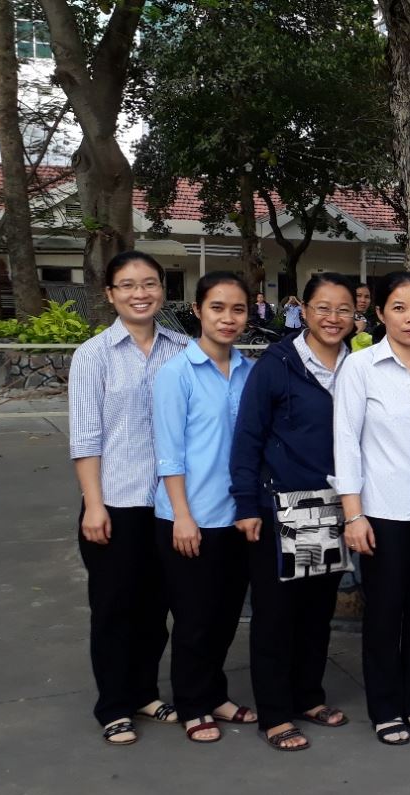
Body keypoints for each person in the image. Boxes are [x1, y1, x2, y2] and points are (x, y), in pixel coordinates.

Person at [230, 273, 357, 751]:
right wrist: (247, 504)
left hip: (334, 505)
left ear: (356, 316)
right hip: (284, 505)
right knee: (276, 614)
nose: (333, 318)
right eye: (323, 307)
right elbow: (248, 437)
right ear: (303, 310)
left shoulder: (357, 364)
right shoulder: (278, 365)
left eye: (343, 309)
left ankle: (308, 696)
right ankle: (275, 712)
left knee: (316, 609)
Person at [69, 251, 189, 746]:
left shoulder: (183, 350)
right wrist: (93, 504)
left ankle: (144, 692)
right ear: (110, 293)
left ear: (162, 289)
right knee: (115, 608)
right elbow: (85, 438)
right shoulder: (93, 355)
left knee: (157, 608)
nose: (140, 293)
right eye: (127, 285)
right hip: (115, 503)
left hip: (168, 505)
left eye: (149, 283)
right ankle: (114, 705)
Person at [333, 271, 410, 746]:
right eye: (399, 308)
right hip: (382, 513)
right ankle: (386, 708)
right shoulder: (360, 369)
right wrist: (353, 514)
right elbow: (346, 443)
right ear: (380, 313)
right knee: (384, 613)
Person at [152, 270, 257, 743]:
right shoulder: (177, 373)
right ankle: (192, 703)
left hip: (236, 516)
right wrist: (182, 515)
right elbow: (168, 451)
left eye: (237, 309)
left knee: (224, 615)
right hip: (190, 517)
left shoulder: (249, 372)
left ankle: (215, 694)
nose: (227, 318)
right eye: (217, 307)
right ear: (197, 310)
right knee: (194, 619)